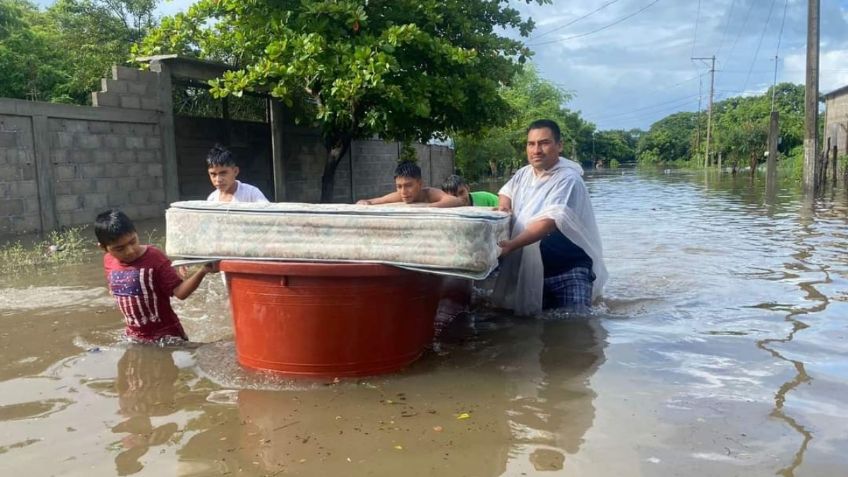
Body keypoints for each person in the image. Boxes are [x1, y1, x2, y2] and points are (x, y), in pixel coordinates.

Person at [492, 119, 607, 315]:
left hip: (569, 270)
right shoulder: (524, 174)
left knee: (578, 332)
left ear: (559, 145)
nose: (536, 150)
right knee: (531, 331)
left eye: (544, 143)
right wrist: (504, 208)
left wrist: (510, 245)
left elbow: (548, 222)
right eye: (531, 144)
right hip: (534, 271)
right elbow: (507, 192)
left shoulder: (568, 179)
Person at [95, 209, 218, 342]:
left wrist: (203, 270)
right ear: (103, 248)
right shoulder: (109, 260)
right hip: (133, 336)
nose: (130, 251)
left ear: (136, 233)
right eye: (120, 249)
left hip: (167, 337)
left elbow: (180, 292)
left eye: (132, 242)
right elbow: (114, 289)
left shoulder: (154, 257)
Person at [356, 161, 464, 207]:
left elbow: (456, 200)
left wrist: (427, 208)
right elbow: (372, 201)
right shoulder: (399, 196)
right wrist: (363, 203)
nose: (403, 192)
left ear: (420, 183)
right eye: (399, 186)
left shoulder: (430, 194)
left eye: (408, 185)